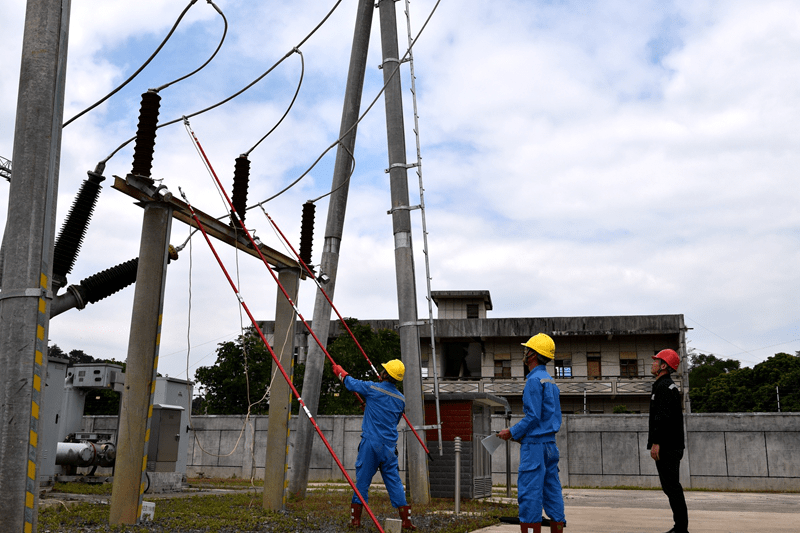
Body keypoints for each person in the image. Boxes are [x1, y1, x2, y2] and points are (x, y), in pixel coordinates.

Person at [332, 359, 416, 530]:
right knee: (394, 482)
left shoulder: (373, 388)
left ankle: (356, 520)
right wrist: (369, 407)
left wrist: (339, 370)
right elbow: (392, 419)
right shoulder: (401, 399)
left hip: (371, 443)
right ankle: (406, 520)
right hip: (390, 447)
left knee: (362, 481)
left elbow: (351, 383)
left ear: (385, 374)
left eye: (383, 370)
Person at [498, 333, 566, 533]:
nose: (524, 353)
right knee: (552, 491)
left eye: (527, 350)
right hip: (550, 446)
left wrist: (511, 431)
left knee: (530, 494)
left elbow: (533, 417)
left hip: (535, 447)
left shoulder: (533, 380)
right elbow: (546, 417)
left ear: (533, 355)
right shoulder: (550, 381)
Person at [648, 348, 689, 533]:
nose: (652, 363)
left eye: (656, 361)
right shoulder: (666, 386)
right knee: (671, 487)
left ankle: (681, 529)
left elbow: (662, 418)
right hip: (672, 445)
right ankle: (680, 527)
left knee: (672, 487)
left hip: (667, 446)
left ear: (663, 366)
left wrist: (656, 443)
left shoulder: (664, 387)